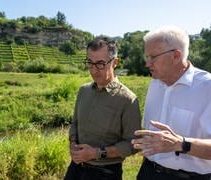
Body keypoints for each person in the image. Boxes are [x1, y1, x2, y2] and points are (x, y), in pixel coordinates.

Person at [131, 25, 211, 180]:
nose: (147, 64)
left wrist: (181, 143)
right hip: (149, 171)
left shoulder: (207, 87)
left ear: (176, 56)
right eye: (147, 57)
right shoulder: (155, 83)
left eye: (153, 57)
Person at [64, 36, 141, 180]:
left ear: (115, 63)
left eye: (100, 64)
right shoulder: (83, 91)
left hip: (105, 173)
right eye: (90, 63)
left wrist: (97, 153)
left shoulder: (128, 100)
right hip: (75, 168)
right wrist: (73, 143)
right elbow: (75, 124)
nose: (93, 70)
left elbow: (133, 145)